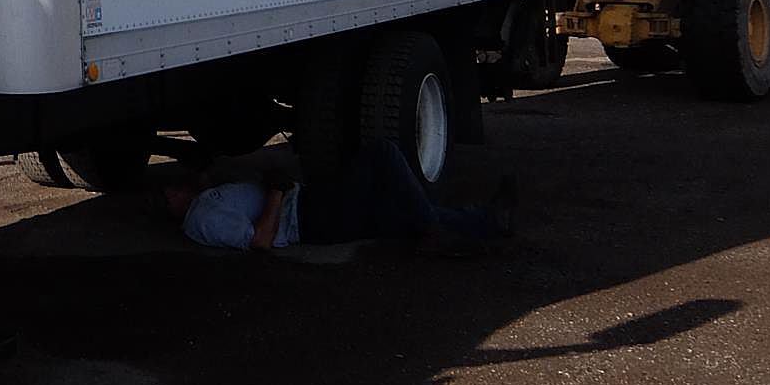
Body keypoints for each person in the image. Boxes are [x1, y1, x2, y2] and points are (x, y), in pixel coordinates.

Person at [163, 139, 515, 253]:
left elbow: (207, 179)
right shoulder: (202, 218)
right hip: (307, 216)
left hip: (308, 209)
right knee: (381, 153)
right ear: (174, 206)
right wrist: (276, 192)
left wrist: (203, 169)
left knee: (398, 214)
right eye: (170, 191)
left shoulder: (203, 203)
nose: (176, 186)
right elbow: (260, 241)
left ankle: (489, 221)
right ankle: (433, 229)